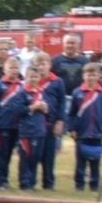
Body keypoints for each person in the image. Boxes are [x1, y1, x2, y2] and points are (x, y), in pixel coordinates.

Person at [23, 54, 66, 189]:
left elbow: (62, 103)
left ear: (50, 65)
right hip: (34, 124)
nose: (40, 67)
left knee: (49, 155)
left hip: (50, 123)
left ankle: (48, 182)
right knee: (34, 154)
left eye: (43, 64)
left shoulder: (57, 81)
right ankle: (30, 181)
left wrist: (60, 121)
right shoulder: (31, 82)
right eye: (37, 64)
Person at [68, 62, 102, 191]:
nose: (91, 77)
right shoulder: (77, 92)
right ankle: (79, 185)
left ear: (98, 76)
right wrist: (72, 129)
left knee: (95, 161)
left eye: (94, 75)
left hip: (97, 132)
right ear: (83, 76)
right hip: (82, 132)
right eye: (88, 75)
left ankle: (94, 185)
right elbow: (72, 113)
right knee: (80, 161)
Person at [0, 56, 28, 190]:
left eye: (16, 68)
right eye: (11, 68)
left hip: (16, 125)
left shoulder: (22, 86)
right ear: (4, 70)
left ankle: (5, 179)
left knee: (10, 153)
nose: (14, 70)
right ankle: (0, 181)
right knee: (2, 153)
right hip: (2, 125)